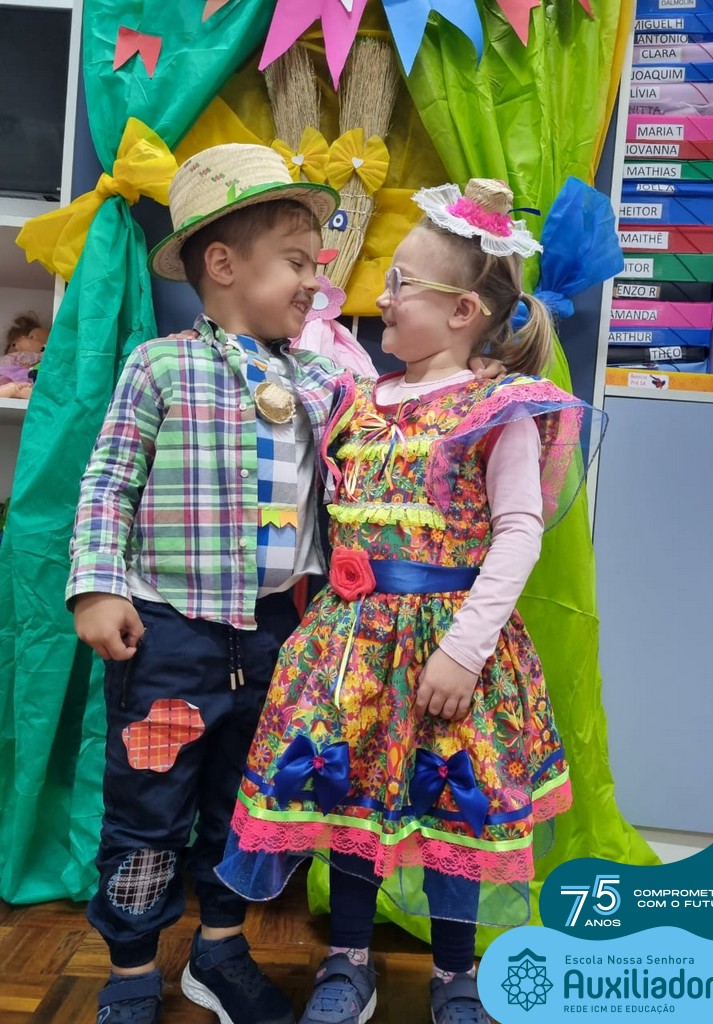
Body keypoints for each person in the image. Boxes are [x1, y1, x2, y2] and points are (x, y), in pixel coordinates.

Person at [67, 145, 501, 1024]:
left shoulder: (326, 379)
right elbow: (108, 482)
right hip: (169, 637)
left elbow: (398, 417)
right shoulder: (160, 365)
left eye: (318, 264)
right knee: (149, 810)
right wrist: (98, 587)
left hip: (278, 641)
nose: (317, 283)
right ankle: (131, 971)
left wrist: (465, 379)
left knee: (250, 806)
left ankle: (219, 951)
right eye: (298, 263)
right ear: (224, 265)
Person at [216, 178, 605, 1024]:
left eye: (400, 284)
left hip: (448, 650)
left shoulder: (496, 408)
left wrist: (464, 651)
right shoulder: (355, 399)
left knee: (450, 803)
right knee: (353, 801)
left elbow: (518, 531)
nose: (381, 297)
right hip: (351, 648)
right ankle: (347, 961)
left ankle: (455, 974)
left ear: (463, 310)